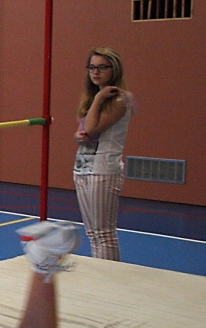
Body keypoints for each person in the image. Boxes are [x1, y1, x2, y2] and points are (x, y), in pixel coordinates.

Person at [73, 47, 135, 261]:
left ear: (114, 69)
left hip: (103, 170)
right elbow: (83, 132)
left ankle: (108, 275)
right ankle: (99, 273)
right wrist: (78, 136)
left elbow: (91, 129)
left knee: (104, 234)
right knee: (92, 233)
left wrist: (99, 98)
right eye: (91, 67)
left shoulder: (119, 100)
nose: (95, 72)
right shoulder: (92, 100)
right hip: (83, 167)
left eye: (102, 67)